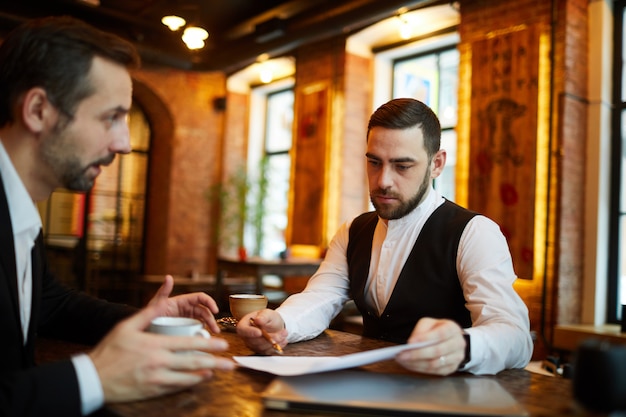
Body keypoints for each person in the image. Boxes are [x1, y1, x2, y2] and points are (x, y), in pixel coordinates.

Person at [0, 16, 234, 417]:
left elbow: (50, 304)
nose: (124, 143)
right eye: (111, 117)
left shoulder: (19, 209)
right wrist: (94, 376)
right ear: (38, 110)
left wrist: (147, 317)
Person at [237, 98, 533, 376]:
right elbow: (321, 297)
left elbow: (516, 337)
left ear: (437, 164)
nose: (383, 181)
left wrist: (466, 345)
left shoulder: (474, 232)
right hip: (369, 389)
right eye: (374, 162)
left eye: (402, 166)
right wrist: (282, 322)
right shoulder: (352, 231)